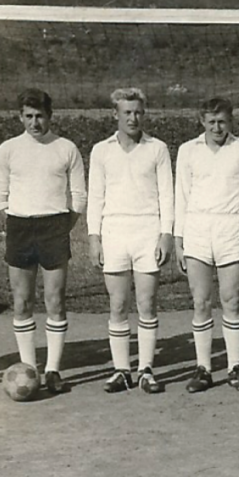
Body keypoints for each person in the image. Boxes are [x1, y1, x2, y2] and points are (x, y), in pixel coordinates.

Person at [0, 88, 86, 394]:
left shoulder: (66, 148)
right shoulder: (8, 149)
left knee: (55, 300)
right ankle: (28, 367)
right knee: (21, 301)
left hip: (53, 226)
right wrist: (19, 217)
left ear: (50, 116)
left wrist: (61, 226)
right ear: (21, 117)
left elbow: (79, 198)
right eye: (28, 116)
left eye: (40, 116)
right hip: (20, 227)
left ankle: (54, 370)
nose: (34, 123)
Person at [174, 97, 239, 393]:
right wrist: (178, 240)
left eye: (222, 121)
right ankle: (203, 368)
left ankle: (235, 367)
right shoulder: (188, 150)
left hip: (231, 228)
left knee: (231, 299)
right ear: (202, 122)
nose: (217, 127)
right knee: (200, 301)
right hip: (197, 229)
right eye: (211, 122)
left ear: (231, 121)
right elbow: (181, 197)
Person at [88, 88, 173, 394]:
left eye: (138, 112)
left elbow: (167, 194)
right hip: (114, 233)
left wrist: (166, 234)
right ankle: (122, 370)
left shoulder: (157, 149)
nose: (133, 118)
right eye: (127, 112)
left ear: (143, 114)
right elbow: (95, 197)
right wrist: (94, 237)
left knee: (147, 302)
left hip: (147, 232)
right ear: (116, 115)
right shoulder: (101, 150)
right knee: (118, 303)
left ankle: (146, 369)